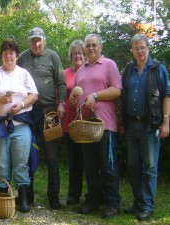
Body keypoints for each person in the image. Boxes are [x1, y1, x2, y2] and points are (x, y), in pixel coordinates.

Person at [69, 34, 122, 218]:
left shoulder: (109, 65)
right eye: (88, 45)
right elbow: (76, 98)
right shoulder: (81, 71)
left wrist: (96, 96)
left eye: (94, 45)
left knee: (108, 165)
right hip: (86, 127)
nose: (91, 48)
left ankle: (112, 203)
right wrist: (74, 99)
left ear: (100, 47)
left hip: (105, 125)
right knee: (90, 166)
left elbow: (117, 90)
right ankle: (92, 199)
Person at [0, 39, 38, 213]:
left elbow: (34, 94)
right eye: (5, 53)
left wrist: (21, 105)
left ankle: (23, 200)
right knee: (2, 164)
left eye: (11, 53)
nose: (8, 56)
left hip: (21, 125)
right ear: (1, 56)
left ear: (16, 55)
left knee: (21, 163)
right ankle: (3, 198)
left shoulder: (23, 73)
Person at [120, 33, 170, 221]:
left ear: (148, 48)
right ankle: (138, 203)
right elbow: (123, 97)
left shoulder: (158, 69)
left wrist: (166, 122)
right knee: (134, 166)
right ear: (132, 50)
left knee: (150, 167)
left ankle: (148, 205)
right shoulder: (129, 70)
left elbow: (166, 95)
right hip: (132, 124)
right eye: (136, 48)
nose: (140, 51)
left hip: (150, 126)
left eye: (142, 47)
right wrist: (122, 121)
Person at [17, 27, 66, 209]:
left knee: (52, 155)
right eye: (32, 40)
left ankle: (53, 197)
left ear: (44, 40)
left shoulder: (53, 57)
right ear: (28, 42)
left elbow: (61, 82)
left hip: (49, 113)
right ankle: (27, 196)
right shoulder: (22, 57)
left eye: (39, 40)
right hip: (28, 112)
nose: (36, 43)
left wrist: (61, 103)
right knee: (28, 153)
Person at [62, 40, 86, 205]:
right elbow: (61, 98)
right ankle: (74, 194)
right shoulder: (65, 74)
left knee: (91, 161)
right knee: (74, 160)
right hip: (70, 123)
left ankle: (94, 195)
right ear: (70, 57)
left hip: (88, 123)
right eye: (74, 53)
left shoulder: (90, 71)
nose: (77, 56)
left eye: (80, 53)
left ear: (85, 56)